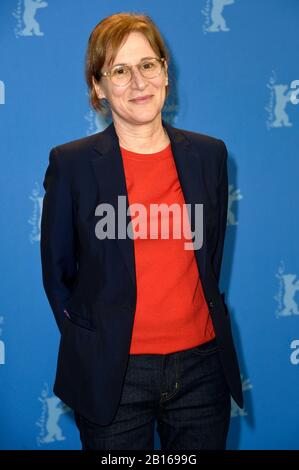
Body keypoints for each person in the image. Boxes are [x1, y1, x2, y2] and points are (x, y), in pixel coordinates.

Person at [40, 12, 243, 451]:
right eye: (119, 70)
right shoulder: (72, 165)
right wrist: (93, 344)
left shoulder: (209, 156)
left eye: (148, 65)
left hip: (201, 372)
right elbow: (58, 275)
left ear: (166, 72)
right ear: (98, 87)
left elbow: (208, 258)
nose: (138, 82)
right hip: (114, 376)